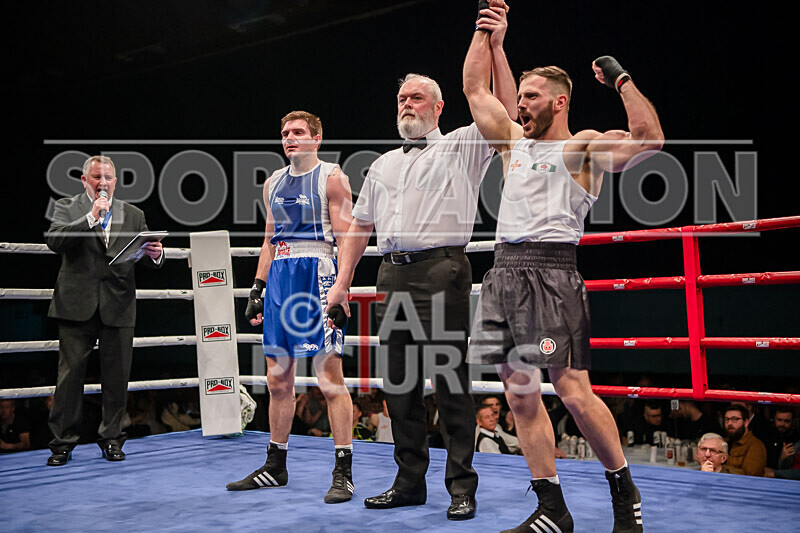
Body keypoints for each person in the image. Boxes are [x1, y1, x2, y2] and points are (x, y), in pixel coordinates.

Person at [462, 1, 664, 530]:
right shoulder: (512, 144)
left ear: (559, 101)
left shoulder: (584, 147)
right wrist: (490, 36)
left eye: (530, 98)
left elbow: (650, 139)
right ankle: (551, 508)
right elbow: (476, 90)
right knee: (519, 393)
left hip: (551, 273)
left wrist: (620, 80)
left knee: (573, 391)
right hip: (504, 272)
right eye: (519, 96)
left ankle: (624, 491)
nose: (519, 105)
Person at [325, 5, 518, 520]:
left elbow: (504, 109)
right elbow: (360, 228)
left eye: (416, 98)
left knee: (449, 381)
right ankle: (409, 481)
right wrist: (342, 284)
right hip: (391, 273)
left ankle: (462, 486)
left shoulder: (462, 144)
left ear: (438, 107)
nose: (407, 104)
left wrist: (492, 43)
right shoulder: (382, 163)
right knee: (399, 384)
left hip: (441, 271)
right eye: (401, 98)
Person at [225, 111, 356, 504]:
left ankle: (343, 471)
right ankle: (275, 465)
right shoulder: (272, 183)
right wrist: (258, 287)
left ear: (317, 138)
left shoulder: (332, 177)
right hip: (280, 275)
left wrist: (343, 288)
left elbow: (347, 236)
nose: (290, 138)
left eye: (299, 132)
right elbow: (269, 240)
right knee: (277, 378)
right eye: (285, 133)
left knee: (329, 377)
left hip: (318, 272)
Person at [45, 155, 163, 466]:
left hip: (119, 303)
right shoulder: (66, 207)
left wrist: (154, 253)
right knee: (69, 378)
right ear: (85, 181)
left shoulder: (134, 213)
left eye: (108, 177)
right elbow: (54, 241)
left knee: (117, 377)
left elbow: (144, 246)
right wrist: (90, 218)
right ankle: (62, 444)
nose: (102, 183)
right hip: (76, 303)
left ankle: (112, 439)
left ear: (115, 181)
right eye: (96, 177)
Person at [723, 404, 767, 477]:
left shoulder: (755, 446)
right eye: (727, 419)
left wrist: (720, 468)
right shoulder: (726, 442)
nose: (729, 423)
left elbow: (750, 477)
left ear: (746, 422)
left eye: (735, 419)